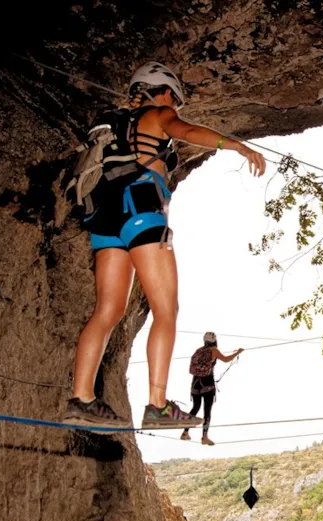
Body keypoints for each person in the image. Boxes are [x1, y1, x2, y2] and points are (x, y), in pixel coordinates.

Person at [62, 62, 266, 429]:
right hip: (140, 211)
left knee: (107, 311)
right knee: (166, 309)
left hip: (105, 218)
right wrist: (235, 145)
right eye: (175, 98)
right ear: (165, 92)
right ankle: (157, 405)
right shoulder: (159, 114)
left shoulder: (114, 127)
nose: (175, 105)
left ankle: (82, 399)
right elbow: (184, 130)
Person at [180, 332, 242, 445]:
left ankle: (185, 432)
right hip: (207, 382)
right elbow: (226, 359)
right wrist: (238, 352)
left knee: (195, 407)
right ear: (214, 340)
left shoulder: (198, 351)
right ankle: (204, 436)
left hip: (195, 382)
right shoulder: (214, 350)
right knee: (207, 411)